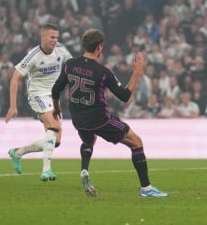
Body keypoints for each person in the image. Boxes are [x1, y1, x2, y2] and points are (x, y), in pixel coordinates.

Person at [51, 28, 168, 198]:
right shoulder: (103, 72)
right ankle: (146, 188)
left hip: (78, 119)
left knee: (90, 139)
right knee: (136, 142)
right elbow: (124, 96)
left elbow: (55, 90)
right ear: (99, 47)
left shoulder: (70, 65)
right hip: (100, 119)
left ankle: (84, 169)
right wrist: (137, 72)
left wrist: (56, 108)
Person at [5, 24, 72, 181]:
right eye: (52, 37)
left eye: (57, 37)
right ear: (43, 37)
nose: (55, 40)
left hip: (54, 96)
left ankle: (18, 152)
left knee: (55, 141)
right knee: (54, 126)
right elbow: (15, 78)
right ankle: (46, 170)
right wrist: (13, 106)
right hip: (37, 95)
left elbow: (73, 67)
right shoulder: (33, 55)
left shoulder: (61, 50)